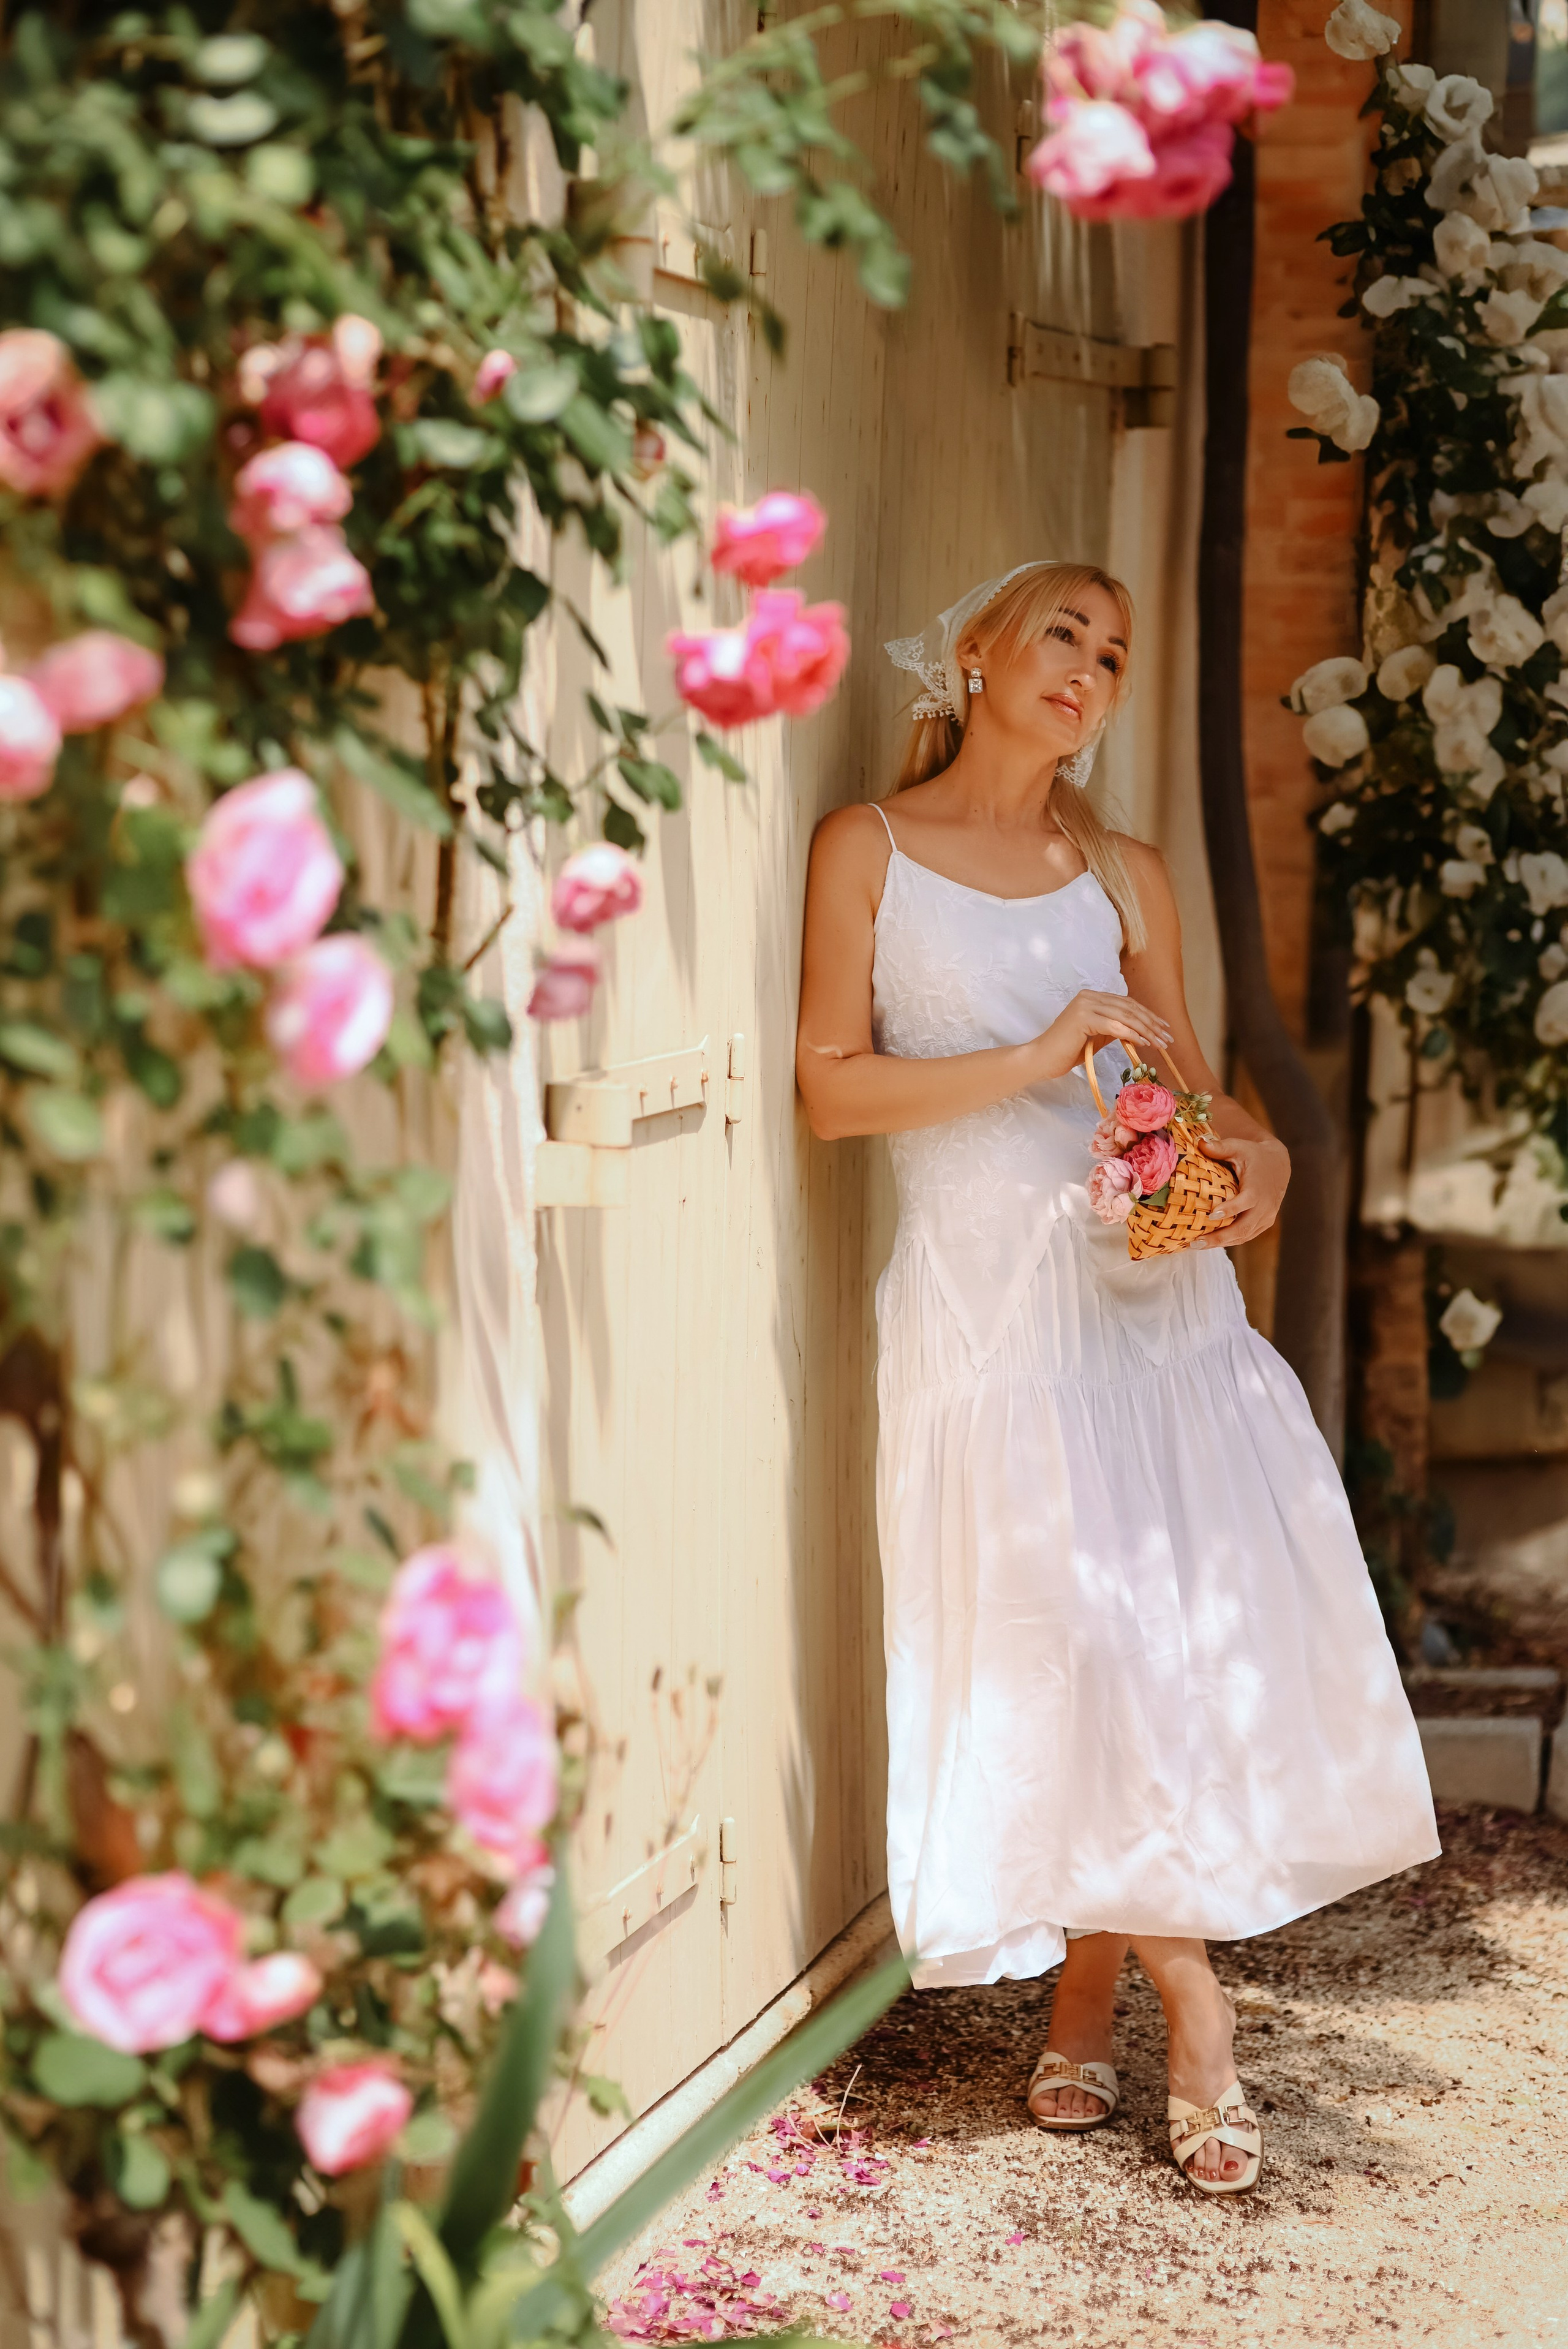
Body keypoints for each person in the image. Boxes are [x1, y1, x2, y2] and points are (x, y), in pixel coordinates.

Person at [794, 560, 1438, 2196]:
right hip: (982, 1316)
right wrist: (1035, 1051)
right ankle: (1190, 2001)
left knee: (1137, 1639)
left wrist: (1258, 1179)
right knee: (1062, 1631)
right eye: (1064, 633)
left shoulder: (1128, 873)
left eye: (1120, 652)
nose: (1093, 666)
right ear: (980, 647)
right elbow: (828, 1092)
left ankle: (1099, 1983)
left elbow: (1206, 1109)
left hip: (1143, 1316)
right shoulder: (866, 847)